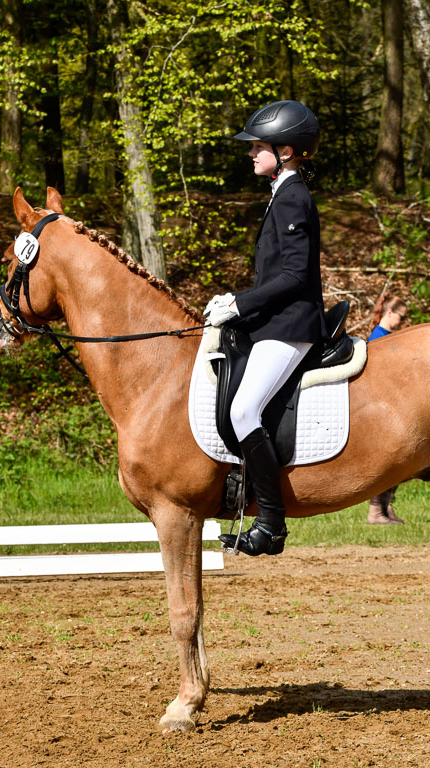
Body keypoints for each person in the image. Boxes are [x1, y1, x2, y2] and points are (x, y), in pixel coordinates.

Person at [207, 100, 327, 557]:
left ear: (288, 151)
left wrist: (239, 303)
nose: (251, 153)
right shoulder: (281, 193)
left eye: (258, 146)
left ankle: (271, 525)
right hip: (272, 322)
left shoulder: (293, 197)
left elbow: (295, 277)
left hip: (292, 326)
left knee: (243, 411)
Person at [367, 294, 407, 525]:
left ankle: (386, 508)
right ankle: (375, 512)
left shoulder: (387, 336)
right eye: (401, 316)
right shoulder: (377, 338)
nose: (403, 321)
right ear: (390, 313)